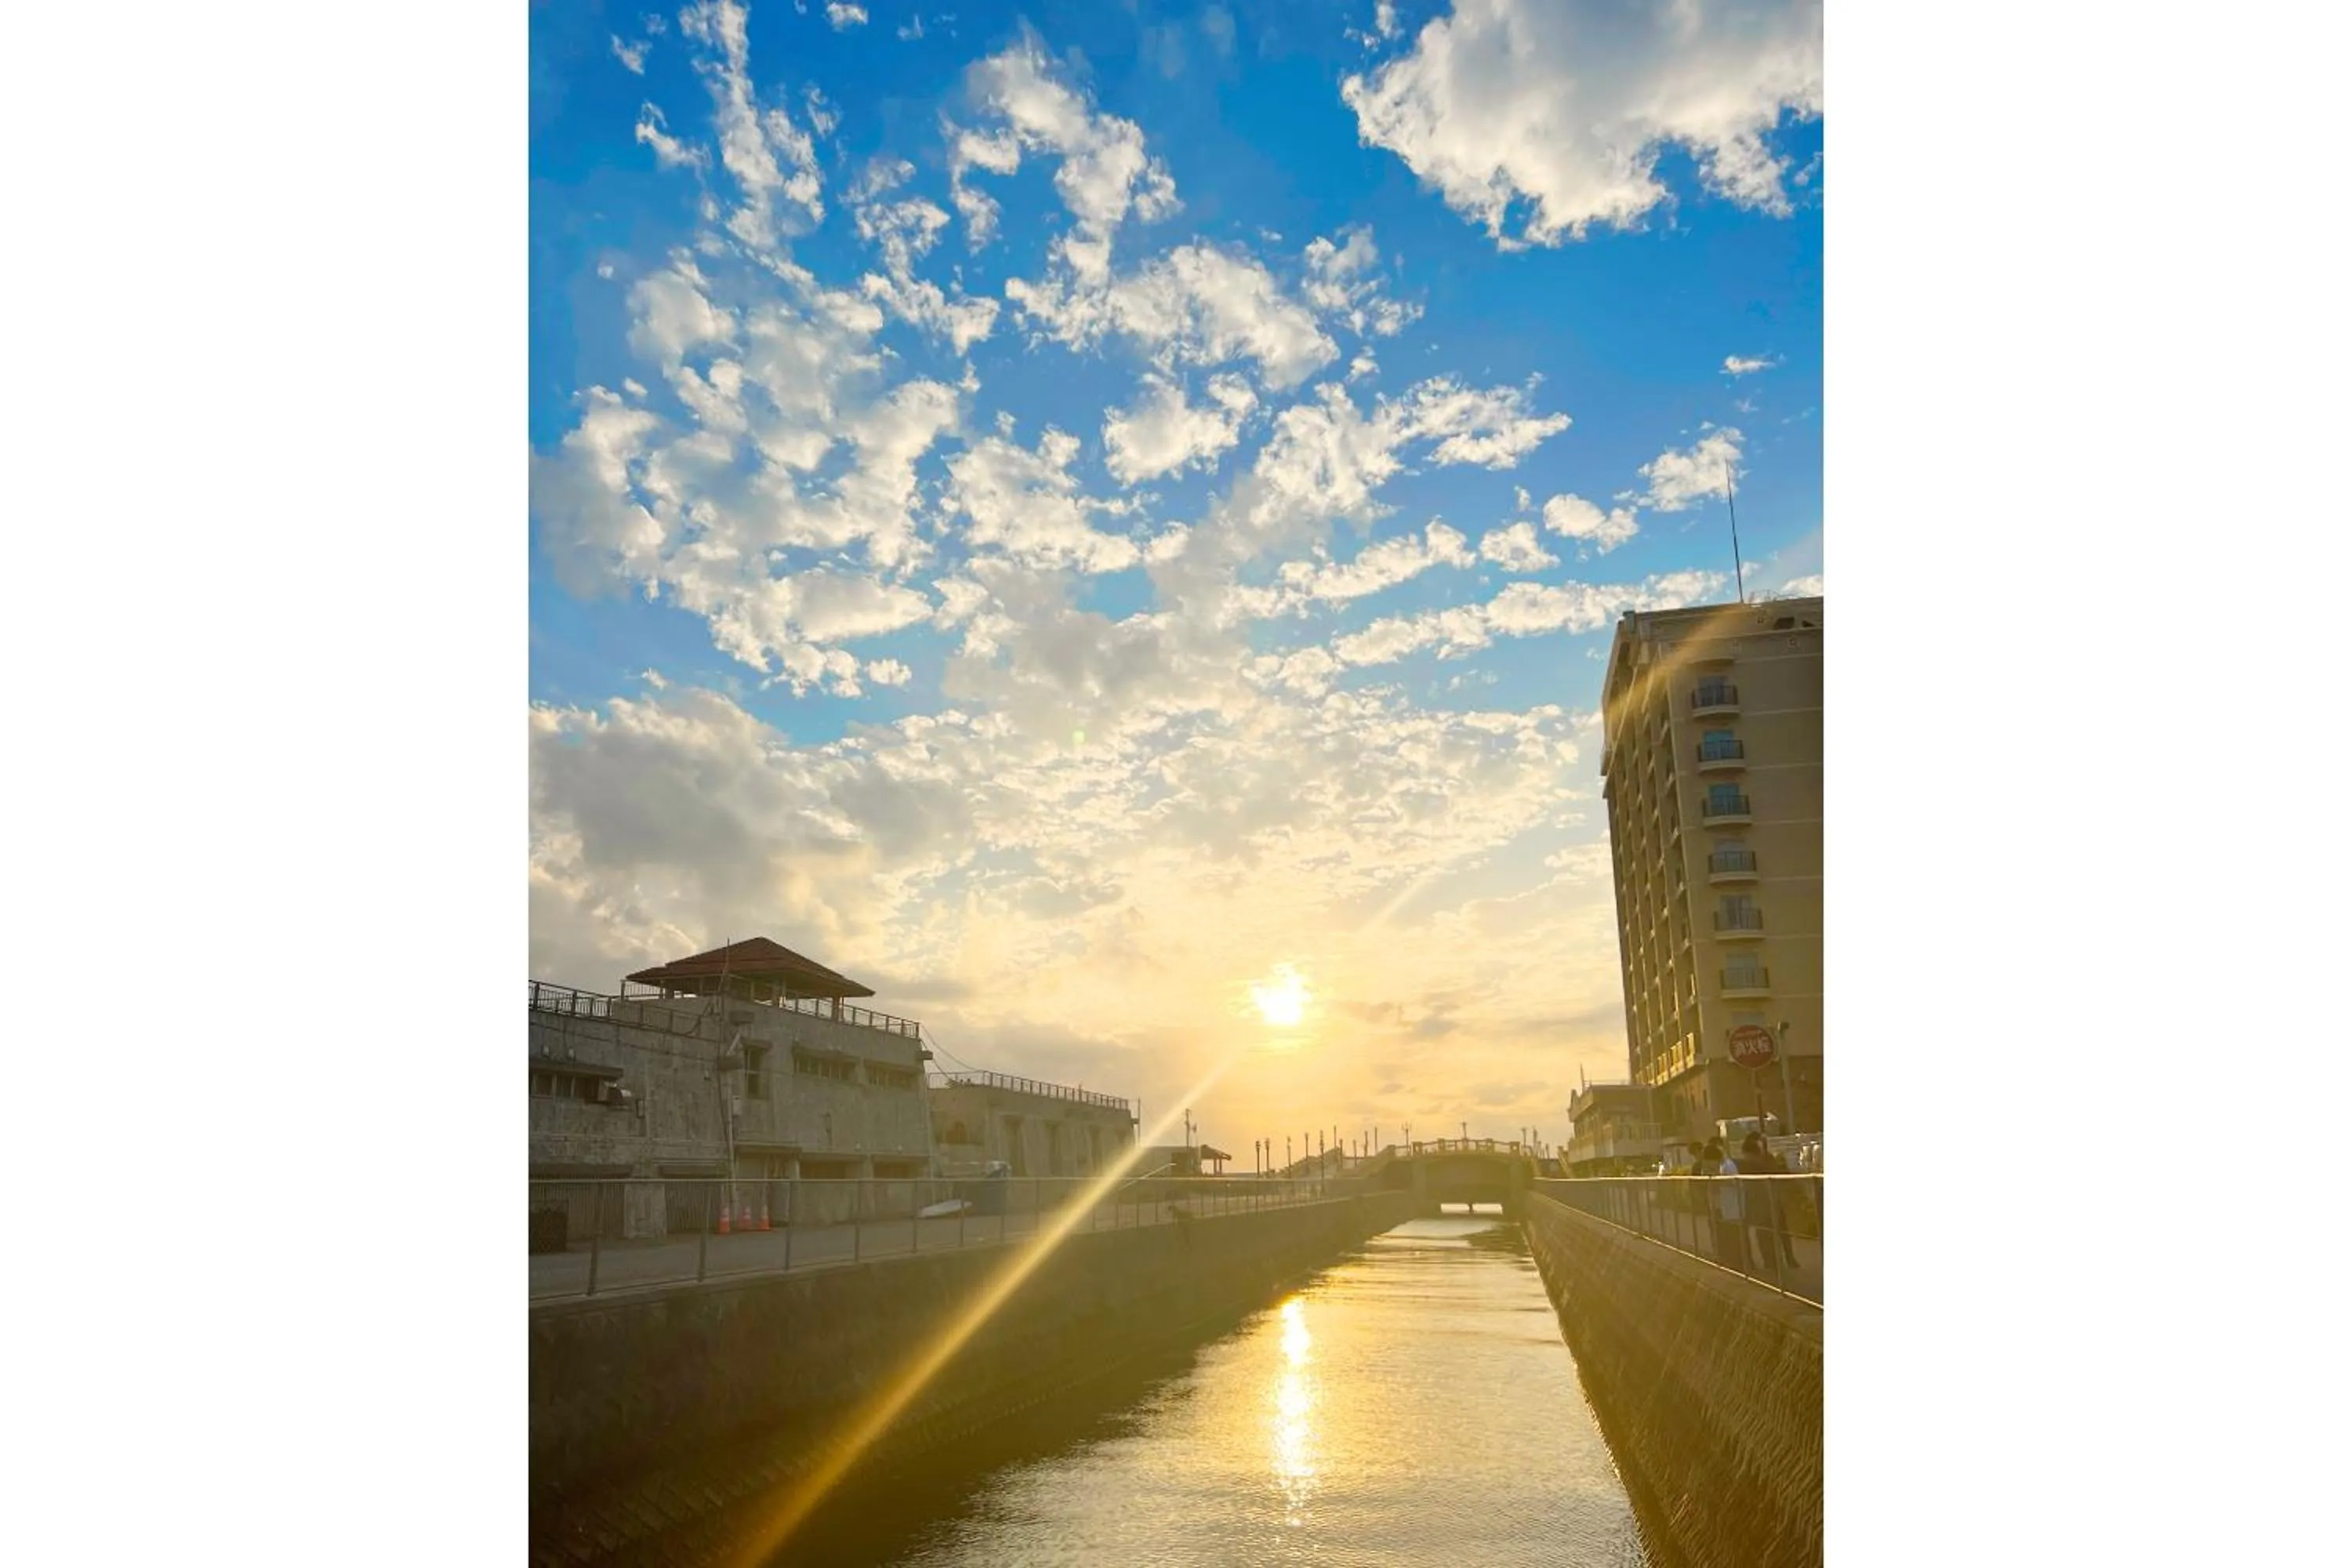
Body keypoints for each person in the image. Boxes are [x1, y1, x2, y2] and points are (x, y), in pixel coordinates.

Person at [1737, 1131, 1800, 1272]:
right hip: (1763, 1202)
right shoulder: (1752, 1162)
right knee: (1767, 1232)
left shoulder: (1766, 1158)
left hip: (1770, 1200)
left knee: (1777, 1231)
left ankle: (1783, 1259)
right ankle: (1773, 1261)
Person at [1697, 1138, 1748, 1272]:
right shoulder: (1721, 1166)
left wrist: (1718, 1180)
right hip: (1724, 1209)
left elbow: (1735, 1184)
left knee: (1734, 1239)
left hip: (1732, 1209)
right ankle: (1730, 1264)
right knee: (1726, 1238)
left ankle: (1738, 1266)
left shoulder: (1728, 1166)